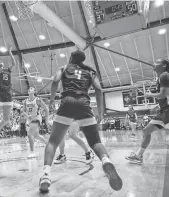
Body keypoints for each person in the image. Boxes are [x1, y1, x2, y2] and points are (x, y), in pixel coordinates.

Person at [39, 50, 122, 193]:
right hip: (84, 104)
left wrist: (52, 99)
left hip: (67, 102)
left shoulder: (64, 68)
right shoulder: (90, 71)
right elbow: (99, 89)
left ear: (71, 58)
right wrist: (101, 112)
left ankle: (46, 175)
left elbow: (55, 81)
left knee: (53, 141)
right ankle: (106, 161)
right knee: (95, 141)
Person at [125, 59, 169, 164]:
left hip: (167, 110)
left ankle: (138, 156)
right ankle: (138, 156)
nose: (153, 63)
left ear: (163, 65)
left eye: (157, 62)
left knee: (146, 131)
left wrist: (149, 95)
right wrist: (156, 105)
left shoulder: (164, 75)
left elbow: (163, 94)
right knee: (146, 131)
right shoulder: (161, 77)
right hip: (164, 110)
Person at [22, 87, 49, 158]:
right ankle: (48, 144)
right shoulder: (25, 101)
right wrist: (27, 116)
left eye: (32, 88)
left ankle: (32, 152)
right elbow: (23, 111)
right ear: (28, 92)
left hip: (37, 117)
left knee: (29, 134)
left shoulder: (38, 100)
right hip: (30, 118)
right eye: (29, 89)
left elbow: (46, 108)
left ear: (34, 91)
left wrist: (46, 118)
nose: (30, 89)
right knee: (36, 136)